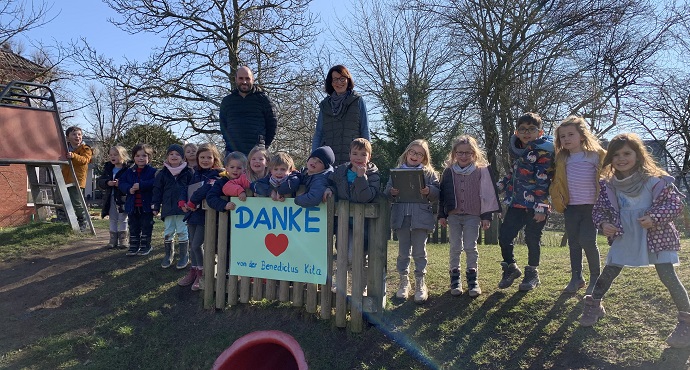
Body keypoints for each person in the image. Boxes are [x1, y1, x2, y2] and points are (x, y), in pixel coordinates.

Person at [580, 133, 690, 348]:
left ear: (638, 155)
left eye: (627, 153)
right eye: (616, 154)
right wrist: (604, 224)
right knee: (610, 269)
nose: (622, 158)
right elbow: (599, 210)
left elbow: (675, 205)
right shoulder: (608, 185)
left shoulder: (655, 180)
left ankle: (686, 321)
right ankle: (594, 304)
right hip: (625, 233)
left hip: (655, 234)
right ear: (610, 158)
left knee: (667, 274)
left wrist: (654, 217)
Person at [496, 112, 554, 291]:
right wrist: (499, 186)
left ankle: (532, 273)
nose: (526, 132)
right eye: (522, 129)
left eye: (531, 129)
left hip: (537, 206)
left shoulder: (544, 152)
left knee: (532, 238)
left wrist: (541, 206)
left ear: (540, 132)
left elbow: (543, 181)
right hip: (516, 203)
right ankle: (510, 267)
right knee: (505, 235)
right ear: (516, 132)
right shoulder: (518, 151)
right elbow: (513, 175)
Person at [438, 135, 501, 298]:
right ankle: (455, 278)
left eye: (467, 153)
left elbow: (487, 194)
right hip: (453, 215)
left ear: (474, 153)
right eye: (460, 153)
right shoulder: (449, 172)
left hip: (473, 216)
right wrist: (442, 215)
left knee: (470, 246)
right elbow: (442, 195)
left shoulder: (480, 171)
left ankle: (473, 279)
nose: (463, 156)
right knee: (455, 247)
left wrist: (486, 216)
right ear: (454, 153)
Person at [549, 116, 606, 294]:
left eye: (570, 134)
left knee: (588, 241)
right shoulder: (561, 159)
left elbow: (608, 178)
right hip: (571, 207)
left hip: (592, 207)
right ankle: (577, 278)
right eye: (562, 136)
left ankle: (596, 278)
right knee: (574, 242)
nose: (566, 139)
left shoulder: (596, 156)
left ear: (582, 135)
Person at [384, 139, 440, 303]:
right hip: (401, 217)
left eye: (419, 154)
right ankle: (404, 282)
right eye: (412, 152)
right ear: (407, 153)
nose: (415, 156)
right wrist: (392, 192)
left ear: (424, 157)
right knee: (403, 252)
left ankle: (420, 283)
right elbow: (387, 191)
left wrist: (429, 190)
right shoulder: (397, 172)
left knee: (419, 251)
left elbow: (437, 193)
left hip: (421, 218)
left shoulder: (429, 173)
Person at [324, 138, 380, 294]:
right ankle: (340, 282)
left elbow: (366, 197)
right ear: (349, 155)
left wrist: (362, 178)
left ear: (369, 157)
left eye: (363, 154)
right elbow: (331, 183)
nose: (358, 157)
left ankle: (361, 288)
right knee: (344, 253)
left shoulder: (373, 175)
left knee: (361, 257)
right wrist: (329, 189)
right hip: (344, 223)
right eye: (355, 153)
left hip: (364, 225)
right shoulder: (340, 171)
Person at [178, 143, 224, 291]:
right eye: (202, 157)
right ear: (197, 159)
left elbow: (205, 189)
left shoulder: (217, 174)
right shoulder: (195, 173)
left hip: (206, 216)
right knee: (192, 244)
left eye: (208, 157)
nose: (205, 160)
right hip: (192, 214)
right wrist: (182, 202)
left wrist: (192, 201)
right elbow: (186, 188)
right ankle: (194, 270)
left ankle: (204, 273)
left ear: (214, 158)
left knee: (197, 244)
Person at [312, 65, 370, 164]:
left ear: (348, 80)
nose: (339, 82)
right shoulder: (325, 105)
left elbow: (365, 129)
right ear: (331, 82)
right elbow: (318, 133)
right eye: (335, 79)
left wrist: (366, 155)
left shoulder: (358, 101)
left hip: (352, 160)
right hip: (328, 160)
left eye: (342, 79)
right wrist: (313, 157)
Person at [219, 66, 277, 156]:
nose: (244, 82)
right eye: (241, 78)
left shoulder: (264, 100)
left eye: (247, 78)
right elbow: (223, 127)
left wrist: (263, 146)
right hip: (233, 153)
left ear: (252, 79)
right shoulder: (227, 101)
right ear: (236, 79)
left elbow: (272, 125)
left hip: (256, 154)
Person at [152, 144, 194, 269]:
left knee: (182, 231)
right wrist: (155, 206)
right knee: (168, 231)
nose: (174, 156)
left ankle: (183, 255)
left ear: (182, 157)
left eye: (177, 154)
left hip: (183, 208)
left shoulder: (188, 172)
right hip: (168, 207)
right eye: (171, 154)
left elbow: (192, 189)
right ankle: (168, 255)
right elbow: (157, 190)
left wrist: (191, 203)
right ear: (167, 157)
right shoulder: (162, 173)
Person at [118, 144, 157, 256]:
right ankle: (133, 246)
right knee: (133, 226)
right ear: (133, 157)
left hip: (146, 206)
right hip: (132, 205)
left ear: (149, 157)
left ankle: (146, 246)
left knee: (146, 226)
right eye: (138, 155)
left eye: (144, 156)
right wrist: (128, 189)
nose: (141, 158)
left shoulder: (153, 171)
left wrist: (141, 185)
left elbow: (155, 183)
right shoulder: (129, 171)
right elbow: (121, 182)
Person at [97, 145, 130, 249]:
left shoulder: (128, 169)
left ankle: (123, 240)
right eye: (111, 155)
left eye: (115, 154)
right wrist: (108, 182)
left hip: (122, 197)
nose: (112, 157)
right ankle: (112, 240)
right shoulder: (108, 168)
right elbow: (100, 182)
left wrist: (120, 184)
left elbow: (130, 182)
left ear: (123, 156)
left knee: (123, 218)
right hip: (110, 197)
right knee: (112, 218)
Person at [61, 126, 93, 231]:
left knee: (77, 201)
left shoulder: (85, 148)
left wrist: (74, 156)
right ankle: (64, 217)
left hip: (77, 179)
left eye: (79, 134)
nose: (77, 136)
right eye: (74, 134)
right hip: (65, 177)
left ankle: (83, 220)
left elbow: (85, 160)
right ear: (67, 137)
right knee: (62, 198)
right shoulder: (64, 147)